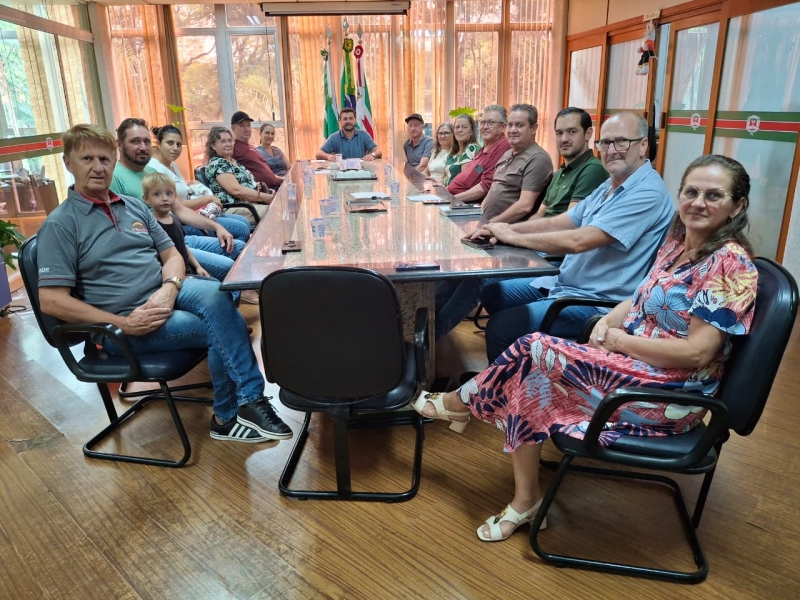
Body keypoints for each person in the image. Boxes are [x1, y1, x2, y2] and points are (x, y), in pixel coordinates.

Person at [414, 153, 758, 542]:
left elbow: (698, 353)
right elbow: (639, 298)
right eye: (691, 192)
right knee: (531, 377)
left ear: (737, 206)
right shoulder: (679, 243)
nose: (698, 202)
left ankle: (459, 403)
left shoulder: (731, 265)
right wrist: (608, 322)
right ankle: (526, 501)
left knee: (533, 348)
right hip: (632, 366)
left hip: (669, 393)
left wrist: (618, 340)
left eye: (714, 195)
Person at [37, 124, 292, 443]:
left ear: (114, 161)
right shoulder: (60, 224)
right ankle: (232, 413)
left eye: (104, 159)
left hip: (164, 293)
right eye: (87, 159)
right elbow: (51, 301)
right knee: (226, 326)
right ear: (68, 163)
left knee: (218, 294)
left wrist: (169, 289)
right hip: (124, 324)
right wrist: (123, 324)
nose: (98, 167)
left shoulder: (133, 206)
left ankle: (245, 405)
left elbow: (172, 254)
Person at [476, 112, 674, 362]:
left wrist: (510, 236)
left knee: (502, 327)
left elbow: (578, 241)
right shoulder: (610, 184)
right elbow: (562, 221)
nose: (612, 150)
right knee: (491, 292)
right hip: (565, 285)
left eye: (622, 142)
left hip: (596, 302)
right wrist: (504, 228)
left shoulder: (647, 192)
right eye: (605, 143)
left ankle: (505, 383)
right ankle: (524, 366)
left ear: (643, 145)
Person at [109, 119, 247, 276]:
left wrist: (217, 227)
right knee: (228, 266)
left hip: (179, 237)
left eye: (146, 141)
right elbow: (122, 232)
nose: (143, 147)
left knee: (240, 248)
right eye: (135, 141)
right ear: (119, 144)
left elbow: (180, 210)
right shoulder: (115, 178)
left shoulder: (151, 172)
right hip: (159, 249)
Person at [148, 124, 251, 243]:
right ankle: (231, 251)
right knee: (241, 229)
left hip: (195, 212)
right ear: (159, 144)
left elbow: (180, 190)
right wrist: (208, 199)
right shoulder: (155, 169)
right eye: (170, 143)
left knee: (244, 221)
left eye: (178, 144)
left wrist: (192, 184)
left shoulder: (172, 164)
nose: (175, 148)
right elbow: (177, 207)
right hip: (181, 222)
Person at [141, 172, 233, 282]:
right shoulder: (152, 225)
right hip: (174, 277)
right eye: (157, 194)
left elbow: (183, 246)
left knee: (216, 280)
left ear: (175, 196)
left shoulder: (174, 219)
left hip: (188, 269)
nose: (164, 198)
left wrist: (198, 266)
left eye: (169, 194)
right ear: (146, 199)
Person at [527, 107, 607, 220]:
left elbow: (570, 222)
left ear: (588, 134)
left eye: (572, 132)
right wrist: (516, 229)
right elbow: (539, 214)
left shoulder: (593, 169)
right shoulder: (559, 173)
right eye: (559, 133)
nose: (564, 139)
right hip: (542, 229)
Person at [480, 104, 553, 223]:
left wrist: (489, 225)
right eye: (510, 125)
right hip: (484, 223)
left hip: (505, 229)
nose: (512, 130)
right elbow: (494, 189)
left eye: (519, 125)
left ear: (534, 128)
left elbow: (525, 206)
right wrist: (479, 216)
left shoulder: (538, 159)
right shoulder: (507, 154)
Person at [205, 126, 272, 224]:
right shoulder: (218, 163)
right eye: (223, 141)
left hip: (250, 204)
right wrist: (267, 198)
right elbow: (236, 190)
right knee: (278, 212)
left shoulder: (233, 161)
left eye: (230, 140)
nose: (228, 144)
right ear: (213, 146)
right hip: (236, 207)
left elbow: (248, 183)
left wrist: (266, 191)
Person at [447, 104, 512, 203]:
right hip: (455, 199)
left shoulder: (502, 147)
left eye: (491, 123)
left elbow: (485, 187)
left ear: (503, 127)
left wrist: (450, 200)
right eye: (483, 122)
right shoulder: (485, 147)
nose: (485, 127)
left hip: (466, 205)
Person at [230, 111, 284, 190]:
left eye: (248, 125)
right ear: (233, 129)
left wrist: (281, 179)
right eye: (242, 126)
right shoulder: (232, 148)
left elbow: (264, 171)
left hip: (276, 186)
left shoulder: (251, 147)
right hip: (263, 191)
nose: (247, 129)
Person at [316, 107, 382, 161]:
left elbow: (378, 151)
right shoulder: (334, 137)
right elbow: (318, 154)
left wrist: (372, 155)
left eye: (351, 118)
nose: (348, 121)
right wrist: (329, 156)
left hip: (361, 170)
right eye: (345, 119)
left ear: (355, 120)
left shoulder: (364, 135)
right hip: (341, 171)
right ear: (341, 122)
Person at [443, 114, 480, 186]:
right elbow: (443, 177)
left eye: (464, 127)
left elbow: (464, 180)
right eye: (457, 127)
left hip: (456, 192)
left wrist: (444, 189)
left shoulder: (472, 148)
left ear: (471, 131)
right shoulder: (453, 153)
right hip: (445, 189)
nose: (460, 130)